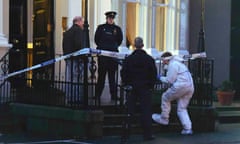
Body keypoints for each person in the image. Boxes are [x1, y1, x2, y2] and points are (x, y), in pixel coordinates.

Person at [121, 37, 157, 141]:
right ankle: (147, 134)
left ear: (134, 45)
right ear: (143, 45)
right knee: (146, 111)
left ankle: (126, 134)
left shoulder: (129, 59)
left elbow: (124, 73)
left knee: (129, 111)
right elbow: (153, 74)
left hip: (132, 87)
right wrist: (150, 85)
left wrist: (127, 83)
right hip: (145, 87)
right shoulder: (149, 59)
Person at [152, 52, 194, 135]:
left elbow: (169, 80)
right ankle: (188, 129)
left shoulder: (173, 65)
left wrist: (160, 77)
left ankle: (164, 119)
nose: (163, 62)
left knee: (165, 97)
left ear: (166, 59)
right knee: (182, 108)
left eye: (163, 60)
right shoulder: (179, 64)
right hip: (190, 86)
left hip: (180, 86)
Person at [94, 11, 123, 101]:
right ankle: (98, 95)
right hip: (103, 56)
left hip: (113, 56)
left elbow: (119, 40)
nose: (111, 19)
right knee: (101, 76)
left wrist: (112, 48)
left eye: (112, 18)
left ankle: (113, 96)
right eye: (109, 18)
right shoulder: (101, 28)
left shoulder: (117, 29)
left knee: (112, 77)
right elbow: (96, 39)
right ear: (106, 19)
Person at [62, 16, 84, 104]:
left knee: (70, 78)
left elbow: (64, 45)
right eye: (82, 21)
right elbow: (79, 44)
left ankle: (69, 97)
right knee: (76, 78)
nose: (83, 24)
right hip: (76, 58)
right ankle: (76, 98)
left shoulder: (67, 32)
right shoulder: (78, 31)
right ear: (78, 22)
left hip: (68, 57)